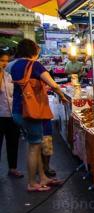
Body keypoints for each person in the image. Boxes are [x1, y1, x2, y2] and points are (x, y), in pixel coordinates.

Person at [10, 39, 67, 192]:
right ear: (33, 51)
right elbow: (53, 84)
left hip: (17, 110)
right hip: (31, 111)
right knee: (34, 147)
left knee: (35, 143)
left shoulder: (13, 65)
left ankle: (43, 177)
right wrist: (61, 95)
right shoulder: (34, 65)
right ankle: (32, 183)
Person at [0, 48, 22, 178]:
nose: (4, 63)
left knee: (13, 142)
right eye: (2, 60)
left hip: (11, 115)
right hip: (0, 116)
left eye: (6, 61)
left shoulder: (9, 76)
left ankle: (13, 168)